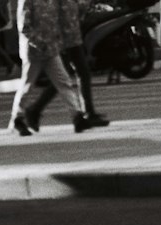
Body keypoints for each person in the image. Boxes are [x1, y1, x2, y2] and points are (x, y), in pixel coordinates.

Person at [21, 0, 108, 131]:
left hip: (71, 35)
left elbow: (75, 10)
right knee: (66, 77)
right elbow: (63, 11)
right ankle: (36, 110)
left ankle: (83, 113)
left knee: (72, 76)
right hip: (64, 37)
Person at [8, 0, 91, 134]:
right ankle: (17, 118)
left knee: (63, 82)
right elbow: (24, 27)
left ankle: (77, 117)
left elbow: (57, 20)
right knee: (28, 85)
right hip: (34, 52)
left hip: (51, 49)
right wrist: (38, 42)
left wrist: (58, 40)